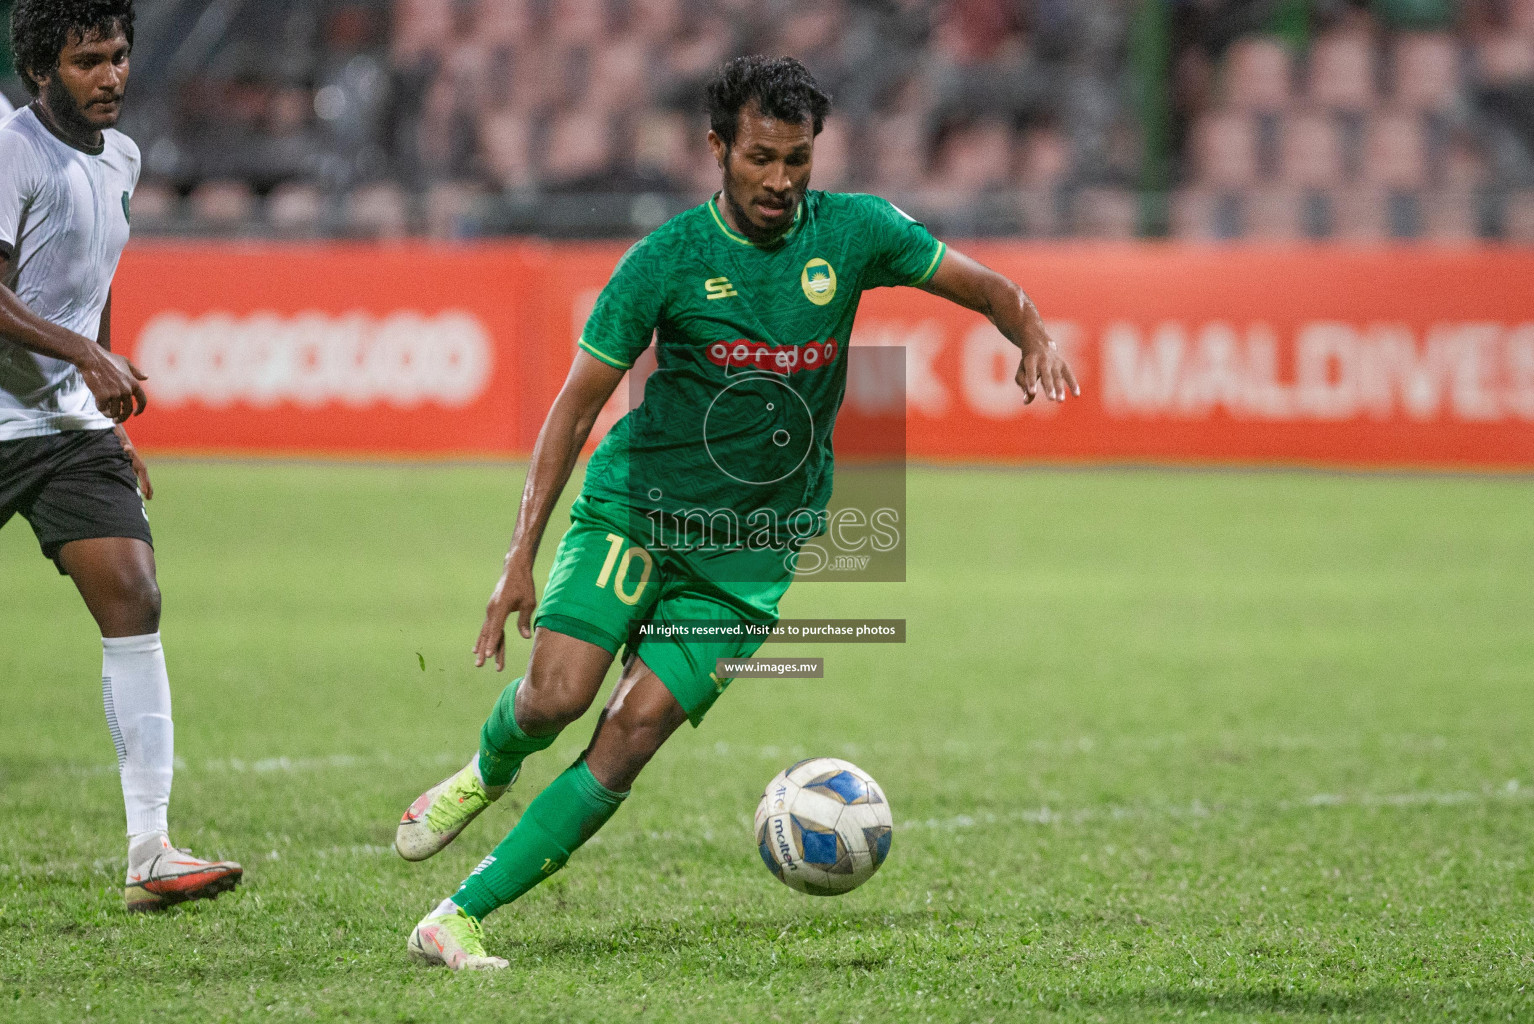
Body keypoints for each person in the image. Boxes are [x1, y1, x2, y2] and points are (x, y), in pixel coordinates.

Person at [395, 55, 1077, 969]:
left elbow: (988, 287)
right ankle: (488, 770)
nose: (782, 182)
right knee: (556, 697)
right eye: (762, 158)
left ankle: (458, 915)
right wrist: (518, 555)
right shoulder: (665, 261)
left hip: (750, 552)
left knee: (630, 737)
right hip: (636, 512)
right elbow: (575, 406)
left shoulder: (857, 231)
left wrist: (1032, 332)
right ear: (717, 148)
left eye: (799, 160)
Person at [0, 0, 241, 911]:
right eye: (86, 61)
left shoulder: (126, 159)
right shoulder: (12, 149)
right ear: (39, 70)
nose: (110, 76)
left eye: (118, 56)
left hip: (63, 432)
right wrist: (87, 354)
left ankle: (151, 850)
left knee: (134, 597)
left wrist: (109, 409)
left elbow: (86, 289)